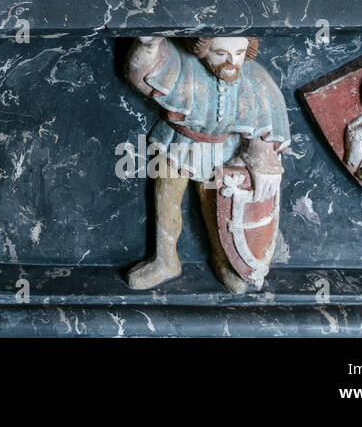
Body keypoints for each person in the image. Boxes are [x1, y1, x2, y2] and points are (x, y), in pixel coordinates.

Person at [123, 36, 290, 293]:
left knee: (216, 206)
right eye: (221, 53)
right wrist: (148, 46)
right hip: (180, 142)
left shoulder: (254, 77)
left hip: (223, 149)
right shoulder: (185, 64)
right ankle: (165, 259)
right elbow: (143, 75)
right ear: (202, 50)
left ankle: (224, 260)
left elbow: (266, 116)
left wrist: (262, 156)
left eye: (239, 53)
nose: (232, 61)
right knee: (166, 198)